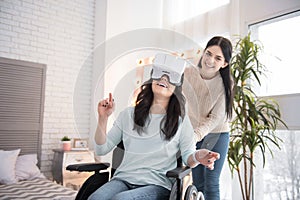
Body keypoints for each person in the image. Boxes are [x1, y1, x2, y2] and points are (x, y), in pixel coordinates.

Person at [88, 53, 220, 200]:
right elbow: (101, 149)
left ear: (176, 87)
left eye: (171, 77)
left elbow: (188, 156)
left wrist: (198, 156)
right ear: (152, 78)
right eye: (160, 74)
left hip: (157, 185)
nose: (164, 79)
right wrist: (102, 118)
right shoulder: (128, 115)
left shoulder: (181, 122)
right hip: (123, 179)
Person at [183, 36, 234, 200]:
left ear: (224, 63)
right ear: (203, 53)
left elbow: (214, 119)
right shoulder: (188, 73)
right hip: (194, 133)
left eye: (218, 58)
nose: (210, 60)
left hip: (217, 134)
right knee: (197, 182)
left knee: (211, 182)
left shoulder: (225, 83)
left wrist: (194, 136)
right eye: (208, 53)